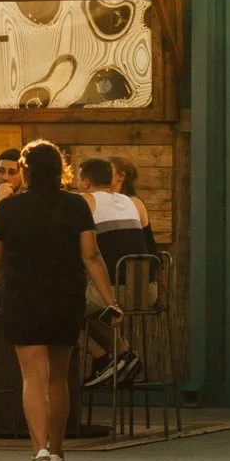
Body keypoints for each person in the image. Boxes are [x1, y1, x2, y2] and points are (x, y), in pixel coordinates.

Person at [0, 141, 118, 461]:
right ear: (62, 170)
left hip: (23, 296)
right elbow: (91, 256)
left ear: (25, 171)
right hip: (65, 297)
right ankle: (57, 450)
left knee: (32, 377)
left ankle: (39, 452)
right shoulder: (76, 206)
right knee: (59, 378)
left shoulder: (8, 209)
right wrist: (110, 300)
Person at [76, 157, 155, 387]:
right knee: (82, 303)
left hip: (112, 294)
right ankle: (122, 357)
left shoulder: (85, 201)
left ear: (86, 181)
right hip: (147, 292)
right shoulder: (131, 201)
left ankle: (106, 357)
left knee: (65, 302)